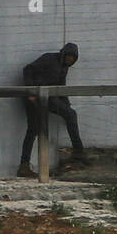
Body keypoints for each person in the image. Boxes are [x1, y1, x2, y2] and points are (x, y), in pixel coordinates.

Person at [18, 42, 86, 178]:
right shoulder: (49, 59)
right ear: (64, 54)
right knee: (33, 129)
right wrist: (31, 92)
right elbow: (28, 69)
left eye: (73, 58)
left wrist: (66, 105)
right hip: (35, 97)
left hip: (47, 98)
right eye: (69, 56)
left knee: (70, 114)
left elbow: (61, 88)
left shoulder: (64, 68)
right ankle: (24, 166)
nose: (70, 60)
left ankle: (78, 151)